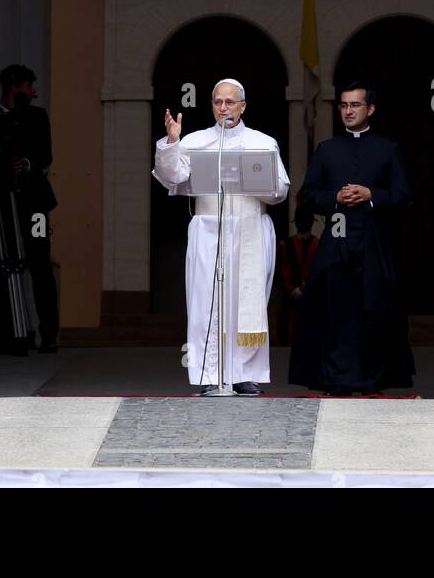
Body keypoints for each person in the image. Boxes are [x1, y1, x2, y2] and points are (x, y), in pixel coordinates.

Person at [152, 79, 289, 396]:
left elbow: (281, 190)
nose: (224, 107)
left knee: (245, 303)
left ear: (243, 106)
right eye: (218, 102)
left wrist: (256, 180)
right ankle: (209, 372)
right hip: (209, 231)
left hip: (250, 228)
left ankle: (245, 374)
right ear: (212, 105)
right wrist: (172, 142)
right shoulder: (195, 141)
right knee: (206, 304)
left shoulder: (262, 142)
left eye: (230, 102)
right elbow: (171, 177)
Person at [288, 79, 414, 396]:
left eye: (355, 105)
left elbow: (403, 197)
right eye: (344, 105)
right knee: (334, 310)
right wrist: (336, 198)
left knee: (375, 309)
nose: (348, 111)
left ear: (370, 109)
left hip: (375, 241)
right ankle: (337, 380)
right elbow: (307, 195)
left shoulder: (388, 149)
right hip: (336, 239)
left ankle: (372, 381)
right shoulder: (327, 150)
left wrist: (372, 194)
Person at [0, 63, 59, 354]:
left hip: (35, 204)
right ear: (16, 87)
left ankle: (48, 334)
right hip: (3, 201)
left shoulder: (37, 116)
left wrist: (27, 163)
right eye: (29, 86)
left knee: (40, 265)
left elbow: (45, 155)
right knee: (6, 265)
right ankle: (13, 333)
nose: (34, 92)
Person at [276, 204, 319, 344]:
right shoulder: (284, 246)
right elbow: (277, 276)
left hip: (312, 302)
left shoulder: (318, 246)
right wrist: (291, 290)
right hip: (289, 305)